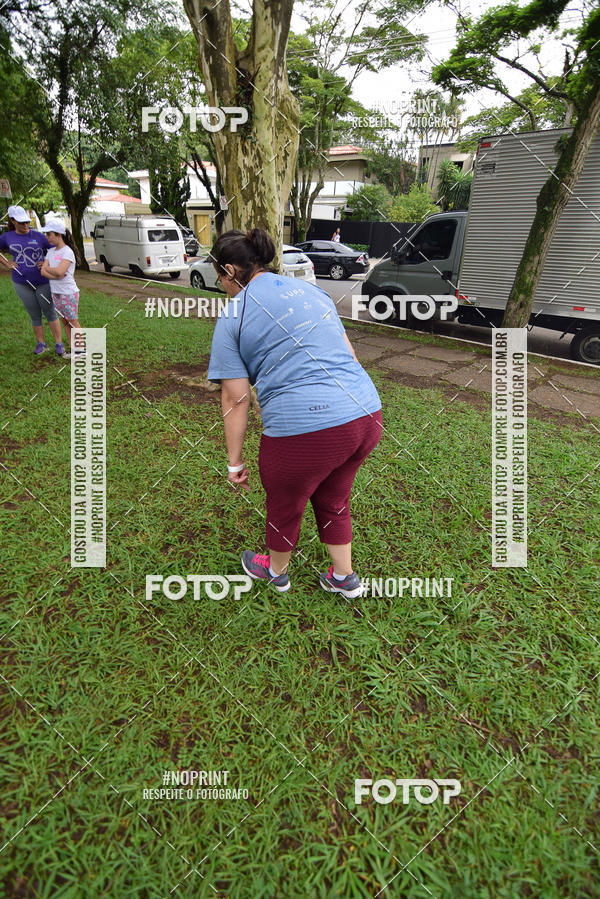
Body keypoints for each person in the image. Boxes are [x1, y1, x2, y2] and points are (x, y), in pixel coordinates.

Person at [207, 228, 382, 598]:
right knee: (334, 497)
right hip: (366, 414)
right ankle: (343, 576)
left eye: (219, 276)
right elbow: (350, 355)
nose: (220, 285)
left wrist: (234, 463)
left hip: (306, 430)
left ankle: (275, 572)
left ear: (230, 270)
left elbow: (236, 398)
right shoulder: (310, 291)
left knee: (285, 501)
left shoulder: (233, 314)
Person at [0, 205, 65, 355]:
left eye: (27, 222)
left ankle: (59, 344)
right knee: (34, 314)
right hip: (21, 283)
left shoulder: (39, 236)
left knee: (50, 312)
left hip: (43, 282)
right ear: (12, 221)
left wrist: (48, 262)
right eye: (21, 222)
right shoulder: (7, 237)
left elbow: (57, 248)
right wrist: (7, 263)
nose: (25, 225)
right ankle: (41, 344)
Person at [40, 220, 83, 360]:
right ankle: (73, 349)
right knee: (65, 321)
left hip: (68, 292)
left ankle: (81, 350)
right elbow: (44, 272)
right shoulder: (50, 252)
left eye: (49, 234)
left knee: (72, 321)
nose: (47, 237)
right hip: (56, 292)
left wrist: (50, 269)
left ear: (58, 235)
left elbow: (60, 271)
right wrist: (54, 272)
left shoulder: (67, 252)